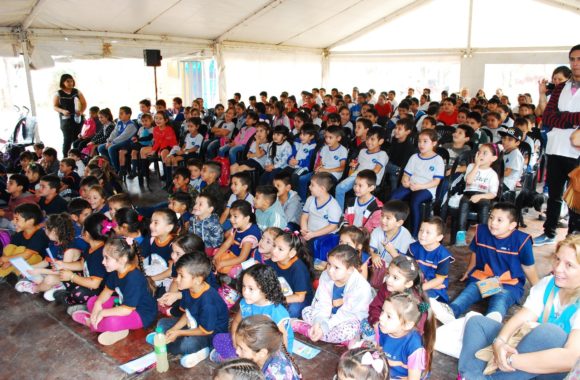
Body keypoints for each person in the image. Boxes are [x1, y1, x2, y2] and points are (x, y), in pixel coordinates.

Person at [458, 235, 580, 379]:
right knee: (477, 322)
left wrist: (509, 359)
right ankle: (473, 376)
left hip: (551, 368)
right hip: (523, 356)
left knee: (550, 334)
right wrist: (500, 343)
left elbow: (570, 358)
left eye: (569, 265)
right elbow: (523, 317)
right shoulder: (549, 283)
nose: (558, 269)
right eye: (558, 259)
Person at [432, 203, 539, 324]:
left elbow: (528, 267)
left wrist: (539, 289)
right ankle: (450, 312)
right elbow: (475, 253)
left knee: (500, 299)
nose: (493, 223)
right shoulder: (482, 231)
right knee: (469, 292)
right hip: (485, 278)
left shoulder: (522, 240)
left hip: (508, 283)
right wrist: (469, 270)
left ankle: (490, 322)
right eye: (491, 217)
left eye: (499, 220)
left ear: (512, 225)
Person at [71, 237, 157, 346]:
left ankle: (92, 322)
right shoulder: (115, 271)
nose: (103, 262)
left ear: (122, 259)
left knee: (112, 321)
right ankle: (110, 325)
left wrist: (102, 312)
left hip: (141, 314)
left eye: (107, 258)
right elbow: (107, 291)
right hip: (123, 304)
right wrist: (98, 304)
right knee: (92, 301)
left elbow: (126, 310)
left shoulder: (133, 278)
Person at [534, 44, 580, 247]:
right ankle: (549, 231)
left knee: (576, 197)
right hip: (555, 148)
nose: (576, 63)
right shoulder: (560, 88)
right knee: (554, 195)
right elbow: (548, 117)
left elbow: (556, 117)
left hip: (576, 152)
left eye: (579, 59)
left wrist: (561, 118)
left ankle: (573, 236)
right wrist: (572, 120)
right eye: (573, 59)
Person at [149, 254, 228, 368]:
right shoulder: (190, 289)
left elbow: (205, 331)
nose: (177, 279)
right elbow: (188, 314)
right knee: (162, 323)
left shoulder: (208, 303)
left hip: (210, 335)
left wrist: (179, 332)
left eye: (181, 276)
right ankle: (168, 340)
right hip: (194, 324)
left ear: (197, 279)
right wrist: (173, 329)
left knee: (187, 344)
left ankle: (204, 350)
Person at [211, 264, 293, 362]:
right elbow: (236, 322)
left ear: (266, 290)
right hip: (247, 342)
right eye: (244, 286)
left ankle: (238, 362)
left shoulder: (275, 312)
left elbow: (282, 343)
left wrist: (271, 359)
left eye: (251, 289)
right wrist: (234, 338)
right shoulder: (245, 303)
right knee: (218, 338)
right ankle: (240, 361)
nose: (245, 292)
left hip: (267, 350)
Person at [292, 245, 372, 345]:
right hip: (328, 315)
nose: (330, 270)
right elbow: (322, 303)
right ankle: (342, 340)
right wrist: (319, 322)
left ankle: (306, 330)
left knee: (348, 331)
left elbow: (347, 314)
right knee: (306, 311)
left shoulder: (361, 286)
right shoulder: (326, 275)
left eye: (336, 267)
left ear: (350, 269)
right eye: (329, 264)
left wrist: (325, 327)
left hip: (348, 319)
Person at [390, 129, 445, 237]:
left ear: (434, 143)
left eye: (425, 141)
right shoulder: (414, 157)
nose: (421, 144)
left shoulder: (438, 160)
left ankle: (414, 234)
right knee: (394, 197)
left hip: (427, 188)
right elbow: (406, 174)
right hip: (412, 185)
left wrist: (421, 186)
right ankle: (393, 226)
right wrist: (404, 181)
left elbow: (436, 182)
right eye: (419, 141)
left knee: (415, 201)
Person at [53, 213, 109, 315]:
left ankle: (70, 300)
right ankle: (76, 298)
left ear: (86, 234)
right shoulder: (91, 246)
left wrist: (72, 276)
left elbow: (95, 284)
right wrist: (63, 264)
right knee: (65, 275)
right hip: (88, 281)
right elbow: (82, 264)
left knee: (80, 293)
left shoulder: (100, 253)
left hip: (99, 290)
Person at [377, 293, 435, 380]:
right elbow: (379, 349)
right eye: (382, 311)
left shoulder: (414, 347)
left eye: (389, 316)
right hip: (389, 371)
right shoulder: (383, 329)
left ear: (407, 325)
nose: (381, 317)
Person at [454, 143, 500, 246]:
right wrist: (477, 166)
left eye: (485, 153)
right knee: (464, 202)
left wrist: (480, 196)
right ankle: (460, 236)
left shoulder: (492, 174)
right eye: (479, 152)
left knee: (484, 206)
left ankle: (483, 237)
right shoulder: (471, 166)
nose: (480, 155)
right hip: (468, 193)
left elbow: (493, 193)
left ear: (493, 158)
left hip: (483, 195)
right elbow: (469, 181)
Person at [335, 127, 387, 210]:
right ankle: (339, 213)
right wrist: (353, 167)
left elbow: (376, 170)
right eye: (367, 139)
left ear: (380, 141)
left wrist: (360, 175)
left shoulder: (382, 154)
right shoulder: (362, 151)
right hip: (356, 176)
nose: (369, 142)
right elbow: (355, 169)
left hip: (370, 179)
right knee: (339, 188)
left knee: (360, 192)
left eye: (372, 139)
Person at [235, 315, 301, 380]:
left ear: (262, 353)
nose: (236, 351)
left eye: (241, 348)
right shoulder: (270, 349)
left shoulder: (273, 376)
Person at [267, 231, 313, 318]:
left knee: (293, 309)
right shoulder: (274, 260)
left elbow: (300, 297)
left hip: (299, 299)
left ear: (291, 253)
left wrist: (277, 300)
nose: (274, 251)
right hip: (280, 295)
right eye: (274, 246)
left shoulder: (298, 268)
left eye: (280, 249)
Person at [408, 217, 453, 303]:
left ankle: (431, 314)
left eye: (428, 232)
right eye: (421, 230)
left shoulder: (443, 256)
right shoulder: (413, 247)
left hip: (433, 287)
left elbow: (439, 280)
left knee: (421, 303)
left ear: (439, 237)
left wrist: (417, 288)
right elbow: (406, 266)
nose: (423, 234)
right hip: (415, 282)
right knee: (397, 294)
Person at [214, 200, 261, 280]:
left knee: (231, 270)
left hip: (242, 261)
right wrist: (215, 257)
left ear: (246, 218)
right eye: (230, 216)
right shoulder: (238, 226)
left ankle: (229, 279)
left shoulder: (250, 234)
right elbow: (226, 244)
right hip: (233, 254)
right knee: (216, 252)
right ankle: (220, 270)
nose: (231, 219)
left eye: (235, 216)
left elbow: (242, 258)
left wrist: (222, 263)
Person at [141, 208, 177, 291]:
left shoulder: (174, 244)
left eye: (156, 223)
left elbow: (171, 271)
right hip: (151, 274)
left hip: (166, 280)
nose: (151, 225)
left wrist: (151, 279)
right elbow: (141, 258)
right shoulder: (151, 239)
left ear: (169, 228)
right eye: (151, 222)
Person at [53, 74, 87, 156]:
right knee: (67, 139)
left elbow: (84, 103)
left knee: (76, 139)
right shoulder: (58, 93)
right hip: (65, 120)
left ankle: (76, 157)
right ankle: (65, 157)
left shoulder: (77, 92)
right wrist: (62, 111)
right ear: (63, 82)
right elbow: (55, 106)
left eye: (71, 81)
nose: (70, 83)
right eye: (67, 81)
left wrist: (81, 111)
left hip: (77, 118)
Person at [97, 106, 137, 172]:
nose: (119, 115)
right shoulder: (119, 123)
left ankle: (117, 169)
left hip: (127, 143)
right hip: (117, 142)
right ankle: (111, 165)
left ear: (128, 115)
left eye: (121, 113)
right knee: (100, 148)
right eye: (119, 113)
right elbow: (114, 133)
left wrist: (112, 143)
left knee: (111, 148)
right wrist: (109, 141)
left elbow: (123, 137)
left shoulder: (131, 125)